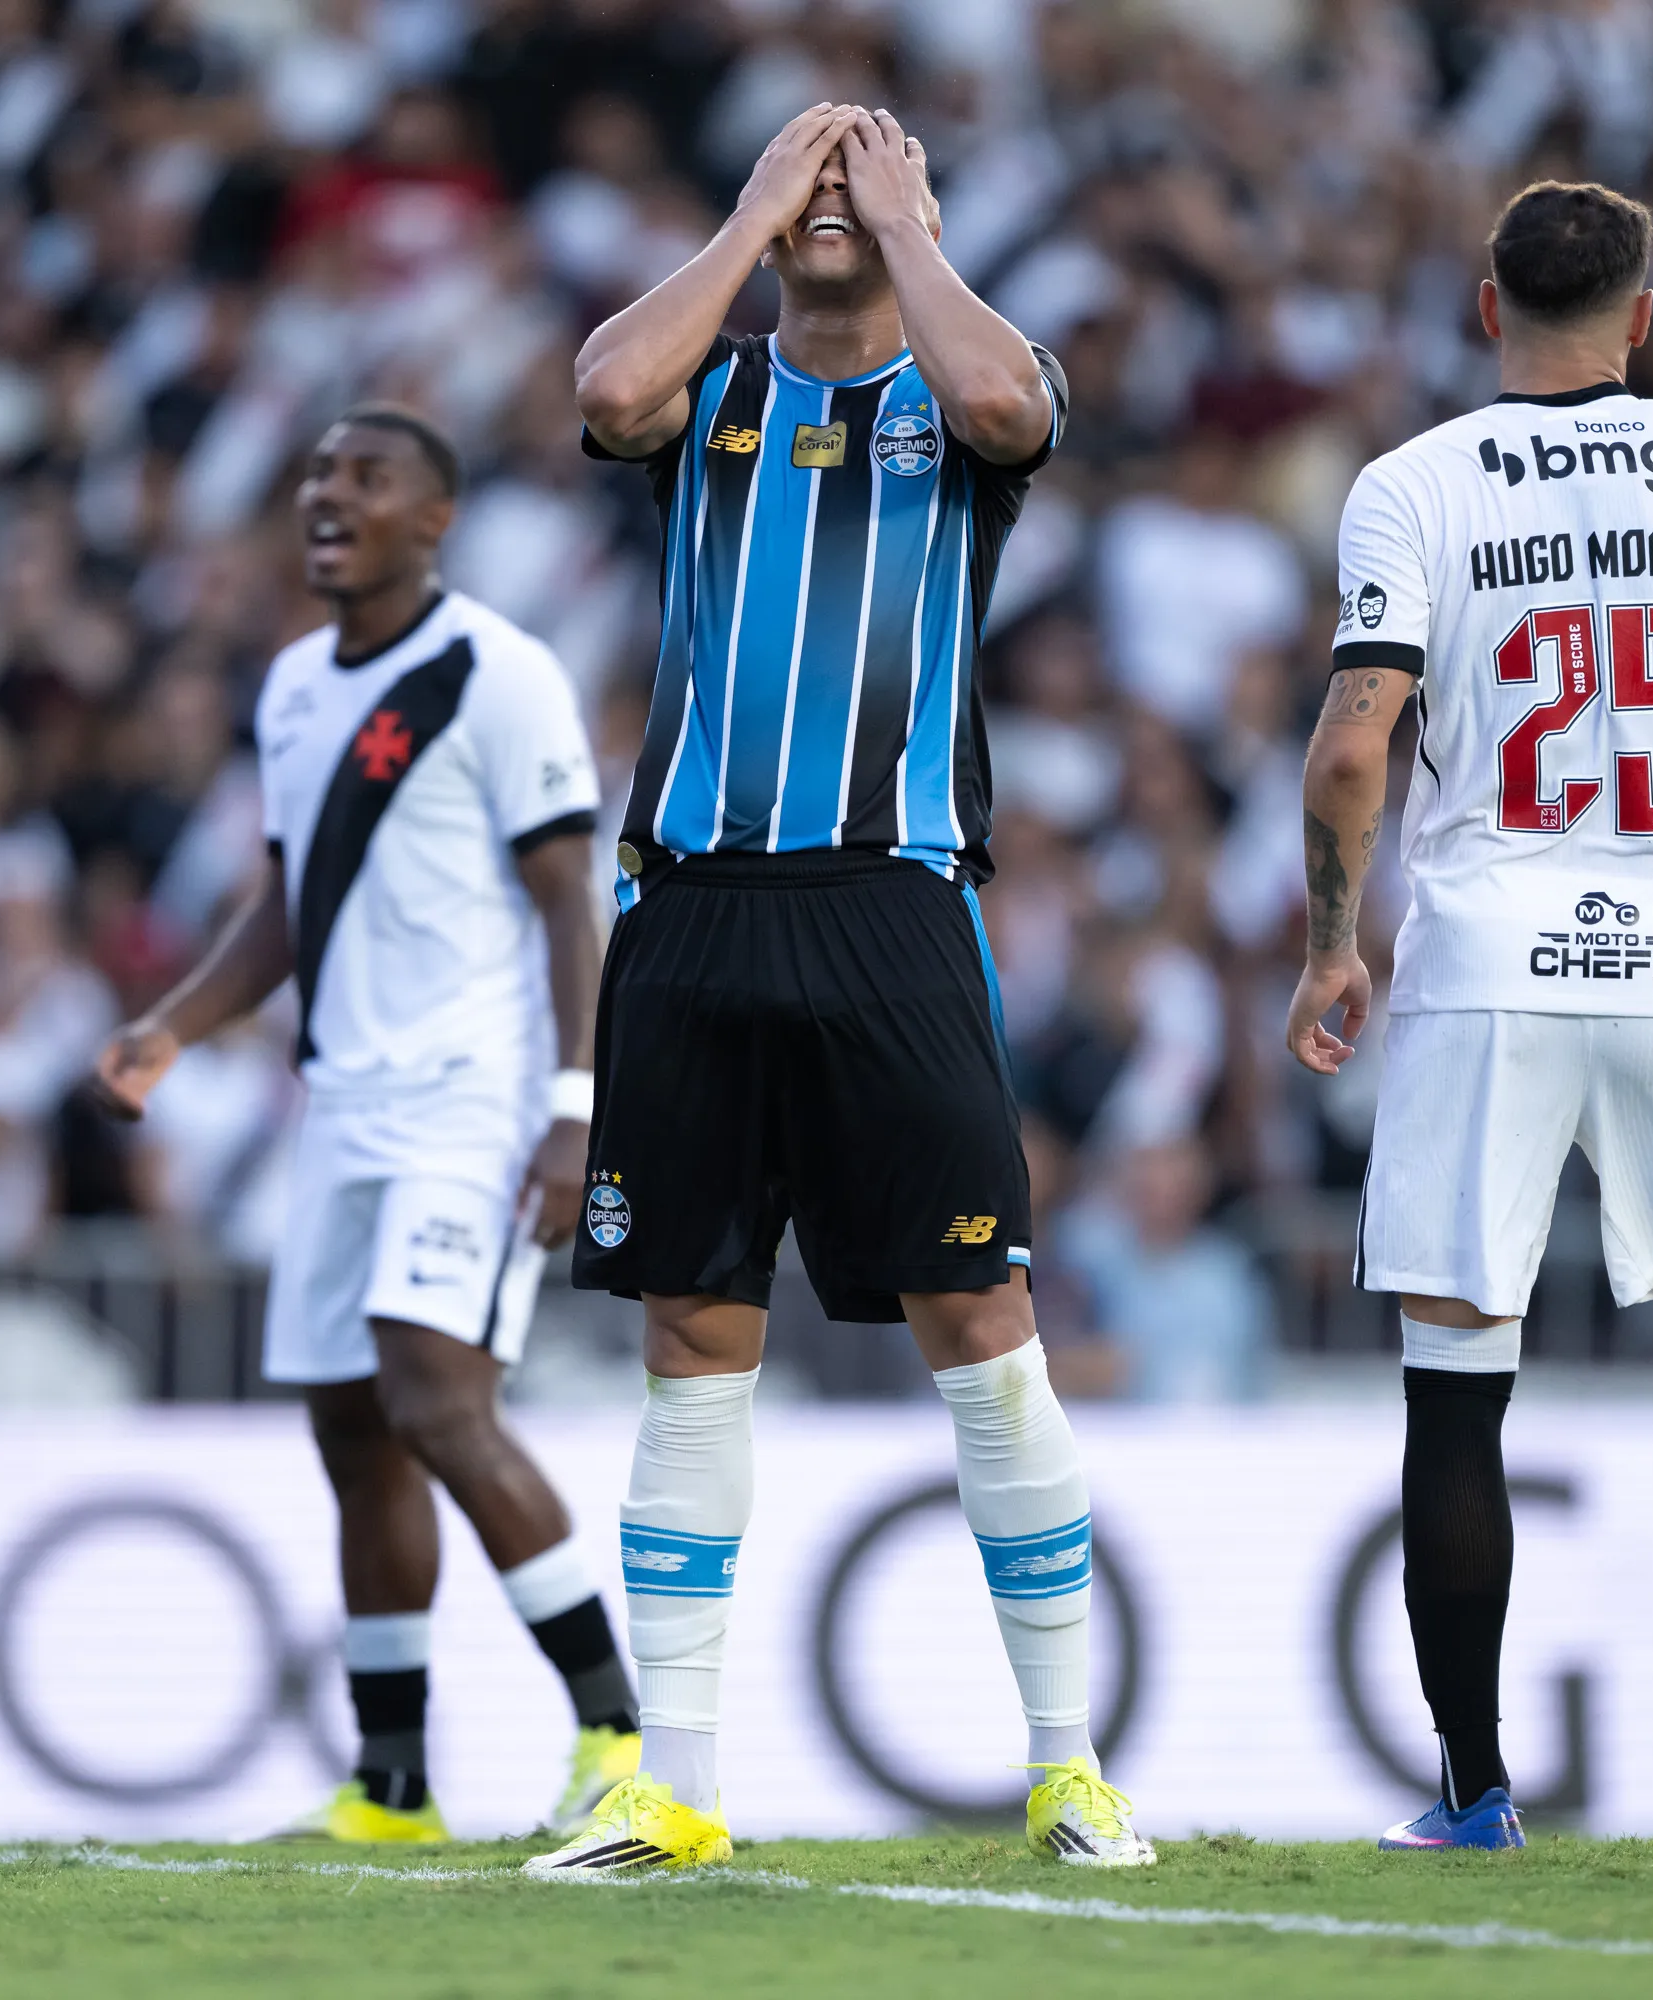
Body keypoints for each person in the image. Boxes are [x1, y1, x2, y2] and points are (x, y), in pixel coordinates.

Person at [537, 103, 1153, 1873]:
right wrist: (749, 216)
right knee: (692, 1338)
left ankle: (1065, 1765)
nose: (832, 208)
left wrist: (905, 229)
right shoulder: (713, 394)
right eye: (810, 182)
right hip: (697, 913)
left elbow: (1017, 410)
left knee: (981, 1330)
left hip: (894, 908)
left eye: (859, 184)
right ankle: (677, 1788)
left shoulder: (967, 389)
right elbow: (602, 391)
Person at [1286, 182, 1653, 1853]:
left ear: (1485, 310)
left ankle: (1471, 1788)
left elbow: (1345, 752)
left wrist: (1334, 942)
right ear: (1645, 318)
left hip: (1483, 973)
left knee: (1459, 1394)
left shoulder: (1414, 488)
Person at [91, 406, 641, 1845]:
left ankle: (619, 1738)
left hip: (473, 1099)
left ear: (435, 518)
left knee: (437, 1402)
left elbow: (567, 906)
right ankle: (393, 1784)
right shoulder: (290, 690)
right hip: (336, 1108)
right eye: (319, 473)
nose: (327, 494)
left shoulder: (497, 675)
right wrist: (174, 1026)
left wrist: (577, 1112)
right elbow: (290, 903)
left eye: (366, 477)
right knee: (354, 1435)